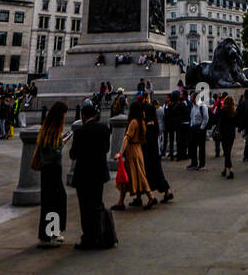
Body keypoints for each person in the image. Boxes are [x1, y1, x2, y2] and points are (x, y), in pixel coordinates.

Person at [69, 103, 114, 249]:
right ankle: (100, 235)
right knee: (97, 204)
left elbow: (73, 154)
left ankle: (88, 238)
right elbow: (107, 148)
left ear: (82, 116)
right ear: (95, 115)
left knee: (85, 208)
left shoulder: (80, 132)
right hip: (99, 174)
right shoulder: (104, 128)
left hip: (84, 175)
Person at [33, 102, 70, 245]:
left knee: (55, 201)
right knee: (53, 202)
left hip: (50, 169)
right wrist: (62, 143)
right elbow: (54, 152)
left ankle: (53, 233)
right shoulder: (53, 130)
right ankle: (48, 236)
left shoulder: (48, 128)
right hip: (52, 169)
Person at [116, 99, 156, 209]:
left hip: (132, 150)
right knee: (133, 175)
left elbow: (127, 138)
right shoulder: (142, 122)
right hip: (138, 149)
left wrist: (120, 152)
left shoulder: (133, 122)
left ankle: (151, 196)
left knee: (135, 175)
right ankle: (123, 201)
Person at [141, 92, 174, 202]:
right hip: (155, 154)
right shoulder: (154, 124)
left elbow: (147, 142)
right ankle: (167, 191)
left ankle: (154, 195)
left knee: (153, 175)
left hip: (151, 155)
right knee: (158, 174)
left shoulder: (149, 127)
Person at [217, 96, 238, 178]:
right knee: (227, 152)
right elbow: (236, 124)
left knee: (227, 153)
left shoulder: (223, 111)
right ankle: (225, 169)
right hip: (231, 134)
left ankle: (230, 170)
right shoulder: (234, 112)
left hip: (224, 134)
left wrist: (219, 131)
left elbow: (220, 122)